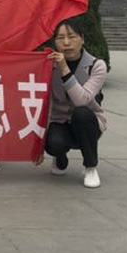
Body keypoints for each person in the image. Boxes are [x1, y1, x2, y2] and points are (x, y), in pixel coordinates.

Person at [45, 18, 108, 188]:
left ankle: (90, 166)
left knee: (82, 113)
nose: (66, 43)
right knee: (53, 143)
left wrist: (64, 68)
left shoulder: (96, 66)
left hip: (88, 123)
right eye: (60, 38)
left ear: (82, 39)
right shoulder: (48, 66)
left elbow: (82, 100)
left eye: (72, 37)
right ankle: (59, 156)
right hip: (59, 121)